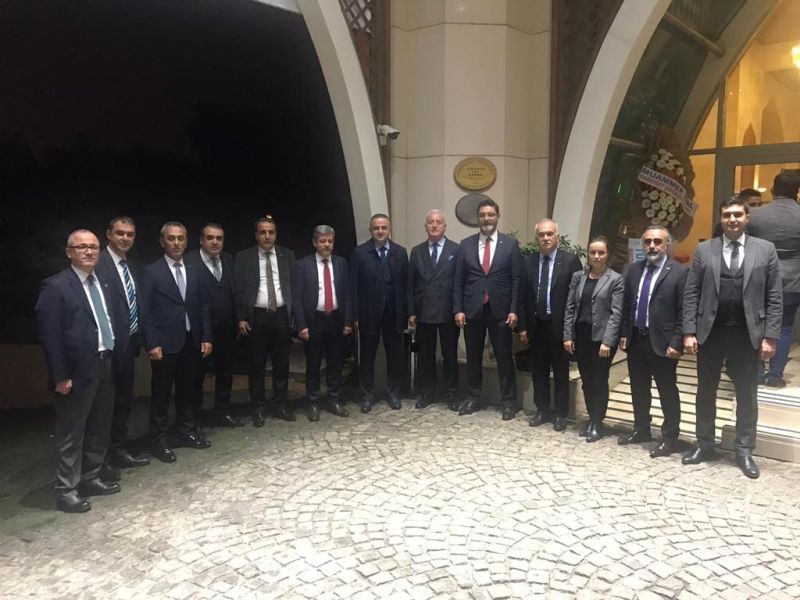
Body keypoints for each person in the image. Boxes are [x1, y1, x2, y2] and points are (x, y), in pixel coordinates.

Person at [682, 197, 782, 479]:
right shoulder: (705, 250)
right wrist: (689, 331)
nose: (732, 219)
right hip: (711, 333)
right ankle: (705, 445)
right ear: (721, 218)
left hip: (748, 334)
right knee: (705, 392)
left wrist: (770, 336)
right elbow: (691, 292)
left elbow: (774, 296)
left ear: (747, 217)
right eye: (727, 215)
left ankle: (744, 451)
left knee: (747, 395)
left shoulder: (765, 250)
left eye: (738, 214)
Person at [36, 229, 127, 512]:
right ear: (69, 252)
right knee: (71, 433)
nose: (88, 251)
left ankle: (90, 478)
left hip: (105, 363)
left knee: (99, 427)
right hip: (75, 373)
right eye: (81, 247)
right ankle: (66, 491)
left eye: (93, 247)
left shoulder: (102, 282)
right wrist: (60, 376)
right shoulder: (56, 286)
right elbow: (50, 336)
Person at [140, 222, 213, 463]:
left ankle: (186, 430)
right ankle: (158, 440)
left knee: (188, 390)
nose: (176, 243)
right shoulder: (151, 271)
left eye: (180, 238)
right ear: (162, 241)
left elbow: (203, 306)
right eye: (171, 238)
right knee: (161, 394)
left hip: (191, 341)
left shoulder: (195, 270)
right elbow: (145, 310)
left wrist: (206, 336)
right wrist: (151, 342)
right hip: (164, 344)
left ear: (186, 241)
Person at [618, 226, 687, 457]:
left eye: (657, 241)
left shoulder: (678, 272)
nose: (652, 246)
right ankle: (641, 429)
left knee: (667, 391)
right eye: (647, 242)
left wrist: (677, 342)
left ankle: (669, 438)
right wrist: (624, 333)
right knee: (638, 388)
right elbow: (628, 305)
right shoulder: (633, 270)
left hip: (663, 343)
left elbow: (684, 310)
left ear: (667, 244)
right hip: (636, 339)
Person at [453, 199, 521, 420]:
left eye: (490, 214)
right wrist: (458, 309)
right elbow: (459, 280)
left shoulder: (510, 244)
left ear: (497, 216)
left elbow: (516, 279)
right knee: (473, 357)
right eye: (482, 215)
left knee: (504, 357)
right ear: (477, 218)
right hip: (472, 310)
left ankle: (508, 402)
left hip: (501, 310)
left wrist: (514, 309)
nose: (486, 219)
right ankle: (473, 398)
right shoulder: (466, 244)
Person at [95, 216, 150, 477]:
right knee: (103, 406)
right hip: (107, 348)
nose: (125, 238)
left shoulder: (132, 267)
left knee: (123, 401)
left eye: (130, 234)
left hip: (128, 345)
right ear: (109, 234)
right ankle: (100, 459)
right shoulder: (98, 264)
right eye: (120, 233)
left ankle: (119, 449)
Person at [518, 219, 583, 431]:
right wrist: (523, 327)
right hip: (536, 326)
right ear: (536, 238)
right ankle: (542, 409)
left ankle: (560, 414)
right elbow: (523, 296)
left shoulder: (571, 261)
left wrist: (571, 331)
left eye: (549, 234)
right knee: (539, 370)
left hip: (560, 327)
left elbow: (577, 298)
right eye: (541, 235)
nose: (545, 238)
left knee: (561, 371)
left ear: (557, 237)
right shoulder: (528, 261)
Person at [235, 215, 297, 426]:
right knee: (257, 364)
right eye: (263, 232)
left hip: (281, 315)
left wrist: (294, 315)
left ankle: (280, 405)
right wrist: (241, 317)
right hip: (257, 316)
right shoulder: (244, 257)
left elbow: (294, 286)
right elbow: (238, 289)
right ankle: (258, 407)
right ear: (256, 235)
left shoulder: (287, 255)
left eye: (271, 232)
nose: (267, 236)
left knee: (282, 363)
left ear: (276, 234)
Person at [563, 236, 624, 442]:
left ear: (608, 255)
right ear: (588, 254)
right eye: (593, 252)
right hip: (581, 336)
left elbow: (616, 313)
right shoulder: (578, 277)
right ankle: (591, 417)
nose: (596, 256)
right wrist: (568, 336)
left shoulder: (615, 279)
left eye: (601, 252)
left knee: (599, 380)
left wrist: (608, 341)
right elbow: (570, 307)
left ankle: (598, 422)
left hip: (601, 340)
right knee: (587, 380)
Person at [185, 223, 243, 427]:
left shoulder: (229, 260)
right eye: (210, 238)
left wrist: (239, 318)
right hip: (199, 331)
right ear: (201, 240)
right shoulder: (189, 261)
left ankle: (222, 412)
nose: (215, 242)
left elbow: (236, 292)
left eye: (219, 238)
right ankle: (195, 417)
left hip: (226, 327)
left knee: (225, 371)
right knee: (196, 374)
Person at [349, 213, 409, 412]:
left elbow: (407, 285)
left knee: (395, 357)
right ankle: (367, 396)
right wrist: (354, 316)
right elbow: (353, 287)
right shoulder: (360, 253)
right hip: (368, 314)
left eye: (384, 227)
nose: (380, 231)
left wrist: (409, 313)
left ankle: (394, 394)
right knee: (367, 358)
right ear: (371, 230)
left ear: (389, 229)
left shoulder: (400, 252)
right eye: (376, 228)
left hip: (394, 313)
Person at [293, 225, 353, 421]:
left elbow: (347, 294)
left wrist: (347, 320)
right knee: (313, 364)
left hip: (336, 319)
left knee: (335, 363)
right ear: (314, 243)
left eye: (330, 241)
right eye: (322, 241)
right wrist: (301, 325)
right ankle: (313, 402)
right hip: (314, 321)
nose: (326, 245)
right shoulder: (303, 265)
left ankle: (334, 399)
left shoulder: (341, 263)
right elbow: (297, 298)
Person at [747, 172, 800, 388]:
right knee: (785, 327)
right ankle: (775, 375)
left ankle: (757, 372)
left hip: (760, 278)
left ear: (772, 189)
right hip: (793, 280)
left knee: (757, 325)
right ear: (797, 191)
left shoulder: (755, 215)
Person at [407, 210, 461, 411]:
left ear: (445, 226)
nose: (435, 225)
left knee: (450, 354)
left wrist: (458, 309)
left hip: (448, 310)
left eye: (439, 222)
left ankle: (451, 393)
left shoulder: (456, 249)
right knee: (426, 355)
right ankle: (427, 392)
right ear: (425, 226)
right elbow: (410, 285)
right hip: (424, 310)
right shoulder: (416, 251)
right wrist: (411, 311)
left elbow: (459, 282)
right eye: (431, 222)